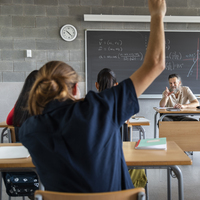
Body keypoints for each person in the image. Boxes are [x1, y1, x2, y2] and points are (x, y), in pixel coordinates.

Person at [19, 0, 166, 193]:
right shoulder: (101, 107)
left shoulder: (28, 131)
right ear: (74, 89)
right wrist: (157, 14)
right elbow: (156, 63)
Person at [96, 68, 147, 188]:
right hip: (118, 165)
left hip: (97, 167)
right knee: (139, 168)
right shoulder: (123, 109)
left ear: (96, 85)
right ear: (116, 85)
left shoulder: (87, 109)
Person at [4, 70, 39, 198]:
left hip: (23, 152)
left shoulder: (23, 102)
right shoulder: (48, 104)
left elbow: (9, 120)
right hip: (42, 157)